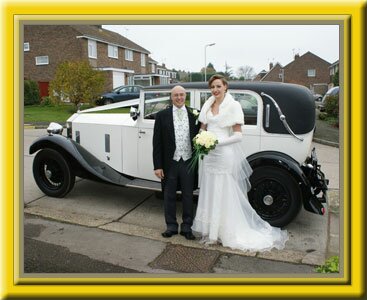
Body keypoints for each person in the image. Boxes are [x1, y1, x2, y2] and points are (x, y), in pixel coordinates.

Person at [192, 75, 288, 251]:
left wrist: (216, 143)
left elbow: (238, 136)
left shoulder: (234, 106)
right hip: (209, 156)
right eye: (212, 86)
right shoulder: (208, 104)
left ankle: (223, 232)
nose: (215, 89)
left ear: (225, 87)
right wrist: (200, 140)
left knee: (223, 191)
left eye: (218, 86)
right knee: (211, 189)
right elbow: (202, 128)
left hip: (223, 154)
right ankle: (211, 232)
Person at [153, 85, 200, 240]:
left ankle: (187, 227)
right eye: (176, 95)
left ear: (185, 96)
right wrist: (158, 165)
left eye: (181, 95)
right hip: (169, 163)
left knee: (188, 195)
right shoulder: (162, 115)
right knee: (169, 195)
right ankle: (171, 226)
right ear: (171, 97)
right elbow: (157, 143)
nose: (179, 98)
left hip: (188, 161)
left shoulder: (195, 114)